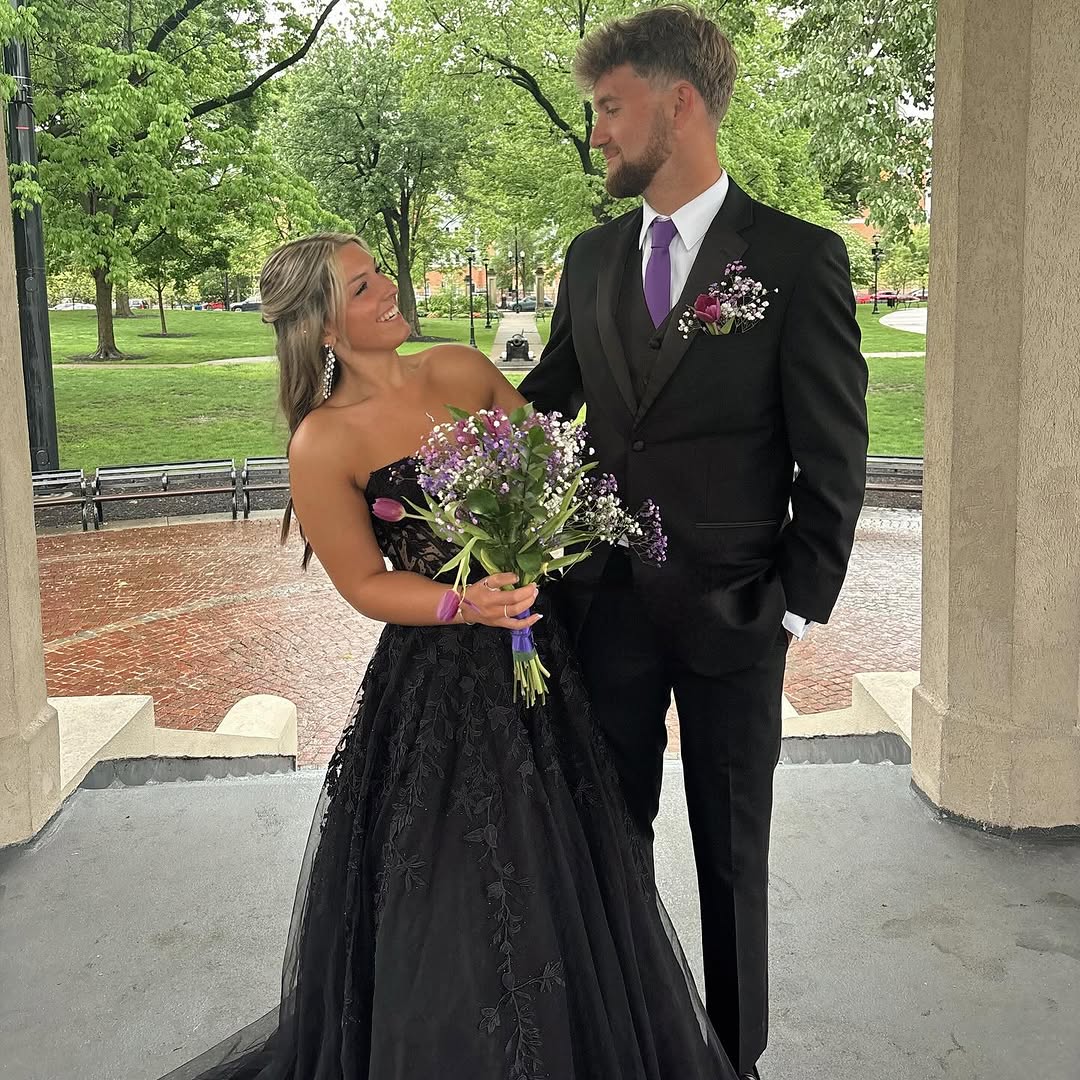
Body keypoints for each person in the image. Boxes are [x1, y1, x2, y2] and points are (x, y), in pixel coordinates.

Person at [161, 232, 739, 1080]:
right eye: (363, 286)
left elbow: (551, 468)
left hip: (541, 659)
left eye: (379, 273)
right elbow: (364, 582)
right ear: (325, 326)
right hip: (439, 684)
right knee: (458, 886)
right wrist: (463, 603)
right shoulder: (323, 443)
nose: (388, 288)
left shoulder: (461, 371)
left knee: (563, 862)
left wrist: (540, 540)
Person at [520, 7, 869, 1078]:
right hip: (603, 609)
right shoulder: (589, 258)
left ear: (679, 105)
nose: (595, 134)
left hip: (735, 612)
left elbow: (834, 451)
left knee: (732, 855)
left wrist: (792, 606)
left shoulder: (797, 258)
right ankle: (630, 1041)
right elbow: (541, 410)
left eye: (609, 109)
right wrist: (393, 424)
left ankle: (735, 1057)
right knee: (609, 841)